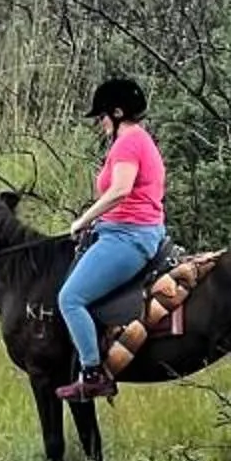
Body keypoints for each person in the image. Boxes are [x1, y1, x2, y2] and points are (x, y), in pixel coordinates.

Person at [54, 76, 169, 404]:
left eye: (102, 116)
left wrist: (83, 220)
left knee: (70, 298)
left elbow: (120, 190)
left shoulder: (128, 143)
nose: (100, 123)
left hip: (128, 236)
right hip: (127, 229)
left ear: (118, 113)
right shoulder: (141, 140)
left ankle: (92, 374)